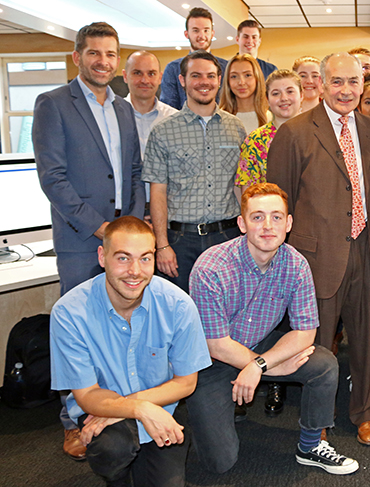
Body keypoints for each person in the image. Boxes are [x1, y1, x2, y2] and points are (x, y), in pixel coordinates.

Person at [187, 183, 359, 475]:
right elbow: (216, 344)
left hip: (258, 346)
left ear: (289, 223)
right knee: (220, 463)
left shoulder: (296, 264)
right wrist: (269, 368)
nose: (268, 226)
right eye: (257, 217)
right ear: (242, 224)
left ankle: (310, 445)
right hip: (209, 364)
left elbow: (305, 332)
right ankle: (209, 415)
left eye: (276, 217)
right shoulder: (210, 268)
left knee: (323, 363)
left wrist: (260, 364)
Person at [33, 21, 146, 461]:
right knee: (79, 330)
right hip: (83, 239)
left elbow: (134, 171)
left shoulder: (122, 108)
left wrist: (132, 224)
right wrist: (102, 228)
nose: (103, 62)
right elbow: (53, 178)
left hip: (125, 239)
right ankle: (73, 421)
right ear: (77, 57)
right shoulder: (53, 104)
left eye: (111, 54)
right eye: (94, 53)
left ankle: (118, 408)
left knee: (123, 328)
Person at [267, 52, 370, 446]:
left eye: (354, 82)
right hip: (315, 258)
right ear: (319, 84)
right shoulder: (295, 132)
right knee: (317, 346)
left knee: (366, 338)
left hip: (365, 251)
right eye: (337, 82)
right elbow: (278, 202)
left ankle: (366, 412)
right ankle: (316, 418)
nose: (347, 90)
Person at [49, 216, 212, 486]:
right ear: (102, 256)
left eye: (145, 258)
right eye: (123, 258)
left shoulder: (179, 305)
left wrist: (133, 407)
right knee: (112, 450)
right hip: (103, 416)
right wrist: (140, 409)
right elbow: (87, 394)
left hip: (161, 406)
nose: (135, 271)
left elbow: (186, 382)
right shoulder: (69, 313)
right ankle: (118, 475)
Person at [142, 50, 247, 294]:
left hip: (228, 237)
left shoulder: (235, 128)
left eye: (211, 76)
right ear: (182, 80)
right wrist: (162, 245)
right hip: (180, 241)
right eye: (196, 75)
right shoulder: (163, 132)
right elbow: (157, 192)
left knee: (228, 310)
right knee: (182, 314)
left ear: (219, 81)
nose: (204, 82)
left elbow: (242, 186)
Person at [122, 50, 178, 216]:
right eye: (137, 73)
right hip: (125, 211)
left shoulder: (175, 119)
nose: (145, 80)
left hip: (169, 211)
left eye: (151, 74)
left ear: (160, 77)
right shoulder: (111, 117)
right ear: (125, 76)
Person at [235, 69, 303, 193]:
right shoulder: (255, 141)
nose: (284, 98)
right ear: (267, 99)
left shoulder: (318, 134)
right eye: (276, 93)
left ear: (301, 95)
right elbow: (249, 193)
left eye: (290, 91)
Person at [160, 7, 228, 110]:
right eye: (196, 30)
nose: (202, 35)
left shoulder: (227, 68)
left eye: (206, 30)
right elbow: (169, 109)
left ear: (212, 33)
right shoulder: (173, 69)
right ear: (186, 34)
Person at [219, 54, 269, 133]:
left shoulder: (272, 118)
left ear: (257, 78)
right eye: (234, 76)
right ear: (227, 81)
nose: (241, 82)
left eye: (247, 75)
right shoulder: (218, 119)